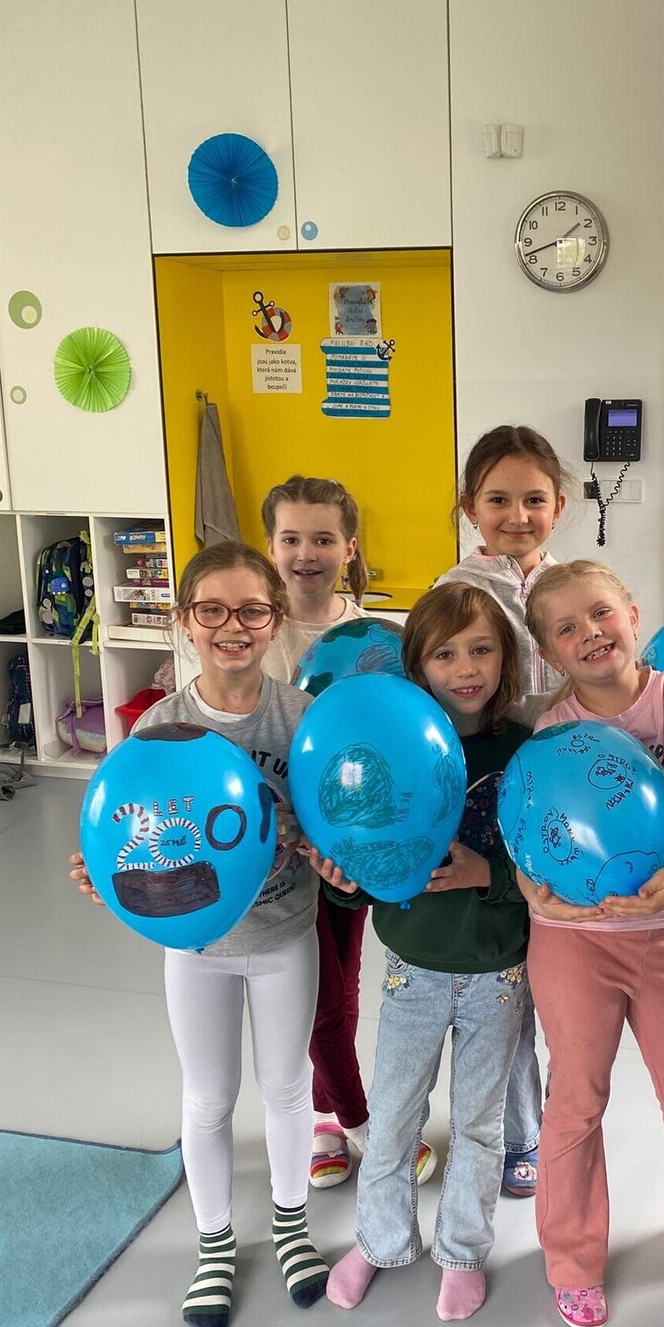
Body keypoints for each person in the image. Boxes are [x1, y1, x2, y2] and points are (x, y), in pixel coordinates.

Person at [70, 541, 329, 1327]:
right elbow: (125, 826)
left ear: (275, 619)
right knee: (209, 1096)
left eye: (251, 609)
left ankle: (291, 1225)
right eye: (211, 610)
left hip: (283, 933)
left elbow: (331, 823)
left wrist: (312, 840)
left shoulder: (301, 719)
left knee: (286, 1087)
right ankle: (214, 1243)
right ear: (185, 621)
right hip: (195, 949)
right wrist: (103, 870)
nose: (232, 626)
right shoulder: (159, 726)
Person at [522, 559, 664, 1327]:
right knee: (576, 1100)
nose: (590, 634)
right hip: (573, 943)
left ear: (634, 614)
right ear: (548, 651)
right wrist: (530, 888)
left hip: (663, 935)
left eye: (601, 613)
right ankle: (571, 1260)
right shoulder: (553, 726)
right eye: (566, 628)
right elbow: (533, 821)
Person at [311, 583, 531, 1322]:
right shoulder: (387, 746)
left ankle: (463, 1250)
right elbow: (364, 873)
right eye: (445, 654)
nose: (465, 668)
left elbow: (546, 871)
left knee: (478, 1124)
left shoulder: (523, 749)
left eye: (481, 649)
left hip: (498, 973)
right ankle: (379, 1242)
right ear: (417, 667)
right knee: (394, 1117)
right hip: (413, 971)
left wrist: (486, 875)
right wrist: (342, 882)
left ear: (505, 658)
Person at [261, 474, 436, 1193]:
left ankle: (324, 1115)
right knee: (319, 999)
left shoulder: (381, 639)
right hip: (274, 849)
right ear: (270, 546)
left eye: (323, 539)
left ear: (350, 548)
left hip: (353, 845)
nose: (306, 553)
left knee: (343, 979)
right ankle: (360, 1122)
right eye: (291, 538)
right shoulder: (253, 631)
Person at [436, 426, 570, 1200]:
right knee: (500, 973)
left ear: (559, 506)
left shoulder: (568, 584)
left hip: (559, 792)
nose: (517, 515)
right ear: (470, 508)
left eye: (533, 499)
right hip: (486, 786)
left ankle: (539, 1123)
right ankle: (516, 1132)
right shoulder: (457, 590)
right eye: (498, 500)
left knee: (545, 973)